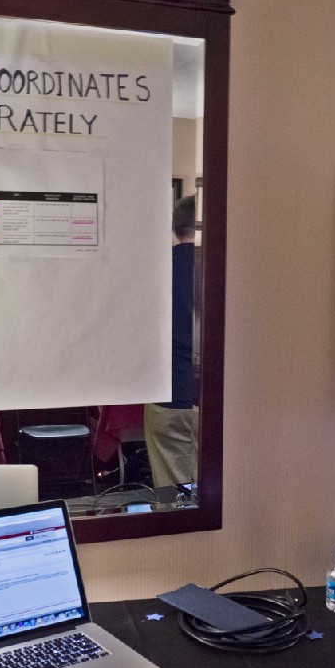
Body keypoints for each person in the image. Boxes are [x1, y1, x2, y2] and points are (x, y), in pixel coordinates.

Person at [144, 195, 199, 487]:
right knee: (222, 496)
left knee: (174, 497)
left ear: (175, 228)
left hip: (168, 393)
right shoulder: (227, 269)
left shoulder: (156, 270)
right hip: (219, 399)